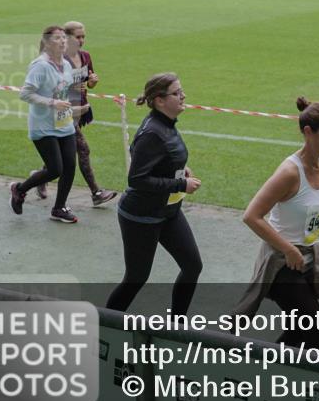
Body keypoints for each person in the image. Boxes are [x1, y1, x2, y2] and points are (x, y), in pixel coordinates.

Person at [231, 97, 319, 348]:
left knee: (297, 333)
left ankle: (267, 379)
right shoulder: (289, 173)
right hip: (282, 264)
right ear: (308, 133)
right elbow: (252, 216)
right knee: (318, 333)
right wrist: (288, 249)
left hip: (310, 259)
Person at [106, 73, 203, 315]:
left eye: (182, 91)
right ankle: (105, 325)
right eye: (176, 93)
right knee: (136, 278)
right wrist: (180, 185)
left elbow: (157, 158)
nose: (183, 96)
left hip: (168, 212)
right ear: (160, 101)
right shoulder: (153, 132)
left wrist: (179, 170)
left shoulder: (166, 125)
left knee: (192, 266)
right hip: (141, 217)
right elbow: (137, 179)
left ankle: (175, 327)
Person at [10, 25, 88, 223]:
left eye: (63, 38)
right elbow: (25, 94)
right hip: (43, 126)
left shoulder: (67, 65)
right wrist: (52, 103)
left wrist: (74, 109)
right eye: (57, 38)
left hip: (64, 123)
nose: (62, 41)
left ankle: (59, 208)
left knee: (70, 167)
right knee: (55, 169)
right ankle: (20, 189)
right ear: (46, 42)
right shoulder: (40, 65)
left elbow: (63, 92)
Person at [34, 21, 117, 207]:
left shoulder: (85, 56)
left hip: (80, 109)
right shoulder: (59, 60)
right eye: (77, 37)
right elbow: (52, 86)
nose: (81, 40)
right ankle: (96, 192)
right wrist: (71, 87)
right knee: (83, 149)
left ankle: (41, 177)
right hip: (63, 112)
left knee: (65, 153)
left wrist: (93, 81)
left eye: (83, 37)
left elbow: (89, 83)